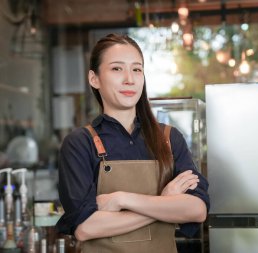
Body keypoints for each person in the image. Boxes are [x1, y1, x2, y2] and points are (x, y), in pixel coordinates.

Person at [56, 33, 210, 253]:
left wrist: (122, 199)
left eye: (137, 69)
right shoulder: (80, 144)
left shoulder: (168, 138)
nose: (129, 79)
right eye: (117, 69)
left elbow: (196, 209)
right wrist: (164, 201)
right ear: (94, 78)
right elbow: (86, 227)